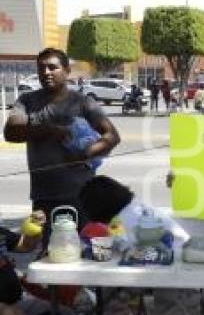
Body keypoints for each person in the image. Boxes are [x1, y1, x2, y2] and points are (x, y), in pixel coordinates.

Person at [79, 175, 204, 315]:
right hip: (146, 268)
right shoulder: (126, 211)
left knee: (167, 309)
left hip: (174, 268)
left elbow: (128, 248)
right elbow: (126, 249)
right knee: (111, 303)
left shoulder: (126, 218)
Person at [3, 48, 120, 240]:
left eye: (52, 67)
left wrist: (84, 154)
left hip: (83, 196)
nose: (46, 72)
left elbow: (112, 136)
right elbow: (11, 133)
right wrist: (49, 130)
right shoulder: (27, 101)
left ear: (66, 71)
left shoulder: (83, 103)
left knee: (86, 249)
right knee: (51, 252)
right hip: (44, 197)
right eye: (41, 68)